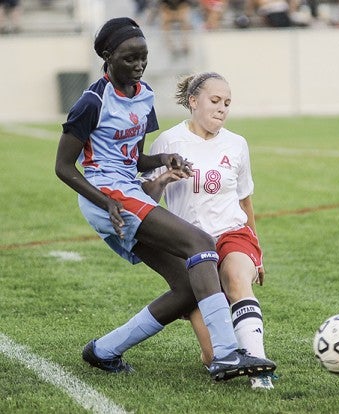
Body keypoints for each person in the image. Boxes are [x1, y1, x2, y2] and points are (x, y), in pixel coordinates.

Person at [54, 17, 276, 382]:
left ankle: (103, 351)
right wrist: (105, 202)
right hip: (107, 194)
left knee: (188, 287)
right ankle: (226, 353)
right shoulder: (92, 101)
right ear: (107, 57)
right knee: (200, 244)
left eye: (143, 57)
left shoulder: (143, 96)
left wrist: (163, 160)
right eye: (129, 58)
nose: (138, 65)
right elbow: (63, 167)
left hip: (126, 191)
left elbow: (135, 158)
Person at [142, 72, 276, 389]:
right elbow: (144, 202)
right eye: (215, 101)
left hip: (232, 234)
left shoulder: (237, 144)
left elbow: (245, 201)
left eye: (227, 103)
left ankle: (260, 371)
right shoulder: (168, 143)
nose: (222, 108)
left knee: (237, 279)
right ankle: (229, 350)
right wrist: (165, 179)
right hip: (190, 246)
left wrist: (256, 250)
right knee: (212, 357)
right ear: (193, 101)